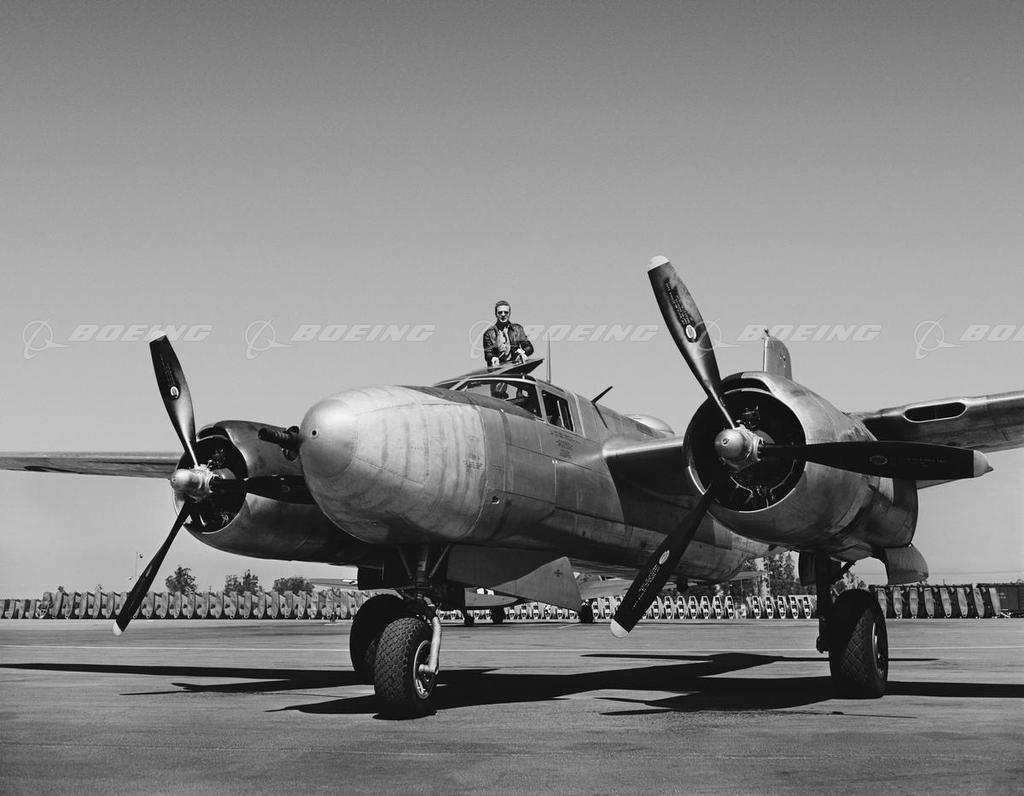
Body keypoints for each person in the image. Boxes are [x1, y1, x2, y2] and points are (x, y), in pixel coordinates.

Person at [482, 300, 534, 368]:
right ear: (496, 314)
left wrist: (523, 352)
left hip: (515, 367)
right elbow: (488, 354)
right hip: (498, 369)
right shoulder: (488, 333)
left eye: (506, 312)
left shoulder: (517, 329)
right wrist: (493, 358)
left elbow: (529, 348)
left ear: (509, 313)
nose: (503, 314)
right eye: (500, 312)